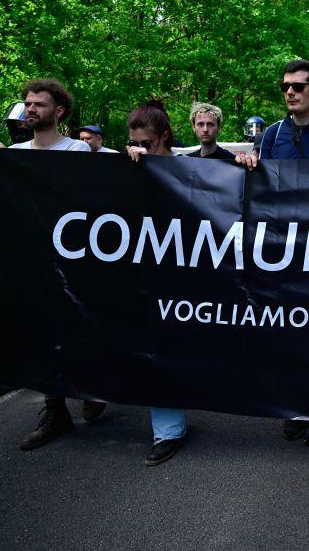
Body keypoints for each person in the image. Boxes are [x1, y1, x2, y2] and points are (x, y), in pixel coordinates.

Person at [237, 59, 309, 444]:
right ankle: (293, 404)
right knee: (285, 331)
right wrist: (247, 163)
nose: (290, 92)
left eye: (299, 86)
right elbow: (260, 187)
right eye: (285, 86)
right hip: (283, 251)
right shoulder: (271, 134)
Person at [0, 79, 108, 449]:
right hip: (34, 262)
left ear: (60, 111)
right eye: (27, 103)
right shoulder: (16, 154)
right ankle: (56, 412)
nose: (30, 108)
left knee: (80, 325)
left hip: (75, 259)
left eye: (38, 103)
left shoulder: (78, 152)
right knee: (43, 332)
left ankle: (94, 385)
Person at [124, 100, 189, 466]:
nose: (139, 149)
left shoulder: (189, 167)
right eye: (133, 142)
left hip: (192, 272)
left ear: (164, 137)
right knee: (156, 344)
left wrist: (243, 161)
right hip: (148, 272)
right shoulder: (128, 167)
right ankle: (168, 430)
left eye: (146, 143)